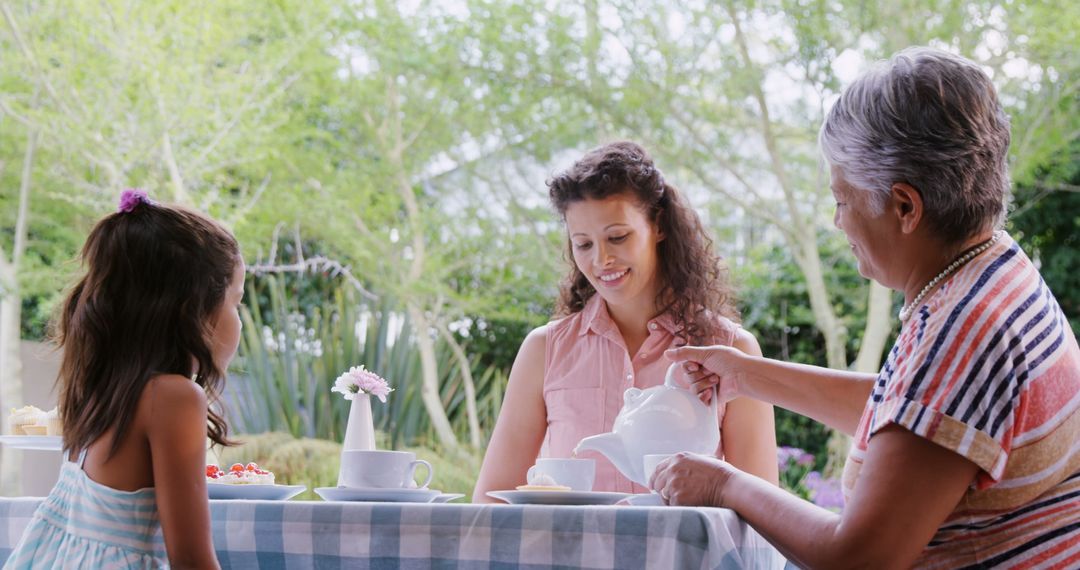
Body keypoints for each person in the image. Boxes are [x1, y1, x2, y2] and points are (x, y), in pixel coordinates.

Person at [652, 47, 1080, 569]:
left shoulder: (965, 331)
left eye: (842, 201)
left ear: (904, 206)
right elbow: (915, 420)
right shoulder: (993, 271)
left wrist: (724, 484)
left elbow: (859, 557)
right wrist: (746, 377)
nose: (838, 223)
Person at [473, 141, 778, 501]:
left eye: (617, 237)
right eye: (583, 244)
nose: (602, 260)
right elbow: (491, 499)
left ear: (658, 225)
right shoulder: (544, 350)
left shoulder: (731, 349)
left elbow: (761, 509)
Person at [4, 190, 243, 569]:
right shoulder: (174, 398)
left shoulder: (103, 388)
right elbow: (192, 560)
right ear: (193, 308)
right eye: (236, 301)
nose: (238, 319)